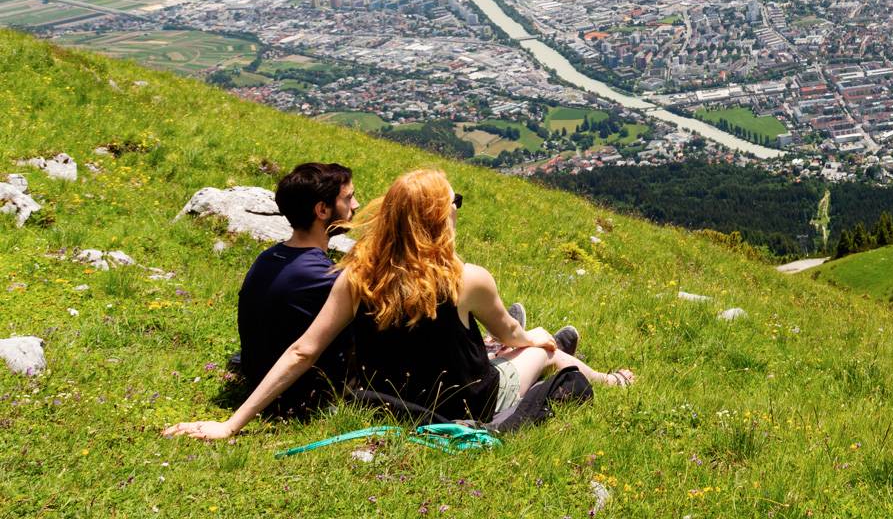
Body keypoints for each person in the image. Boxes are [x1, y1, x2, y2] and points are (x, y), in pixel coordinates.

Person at [166, 168, 631, 440]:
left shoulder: (355, 275)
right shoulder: (467, 279)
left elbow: (303, 351)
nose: (456, 209)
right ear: (437, 215)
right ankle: (609, 379)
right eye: (455, 202)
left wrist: (231, 424)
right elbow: (514, 335)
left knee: (511, 342)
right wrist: (531, 339)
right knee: (537, 350)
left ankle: (547, 352)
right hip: (466, 402)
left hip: (388, 401)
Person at [234, 162, 358, 416]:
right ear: (322, 210)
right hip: (304, 399)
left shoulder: (268, 257)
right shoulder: (324, 277)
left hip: (257, 380)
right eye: (348, 198)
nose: (355, 206)